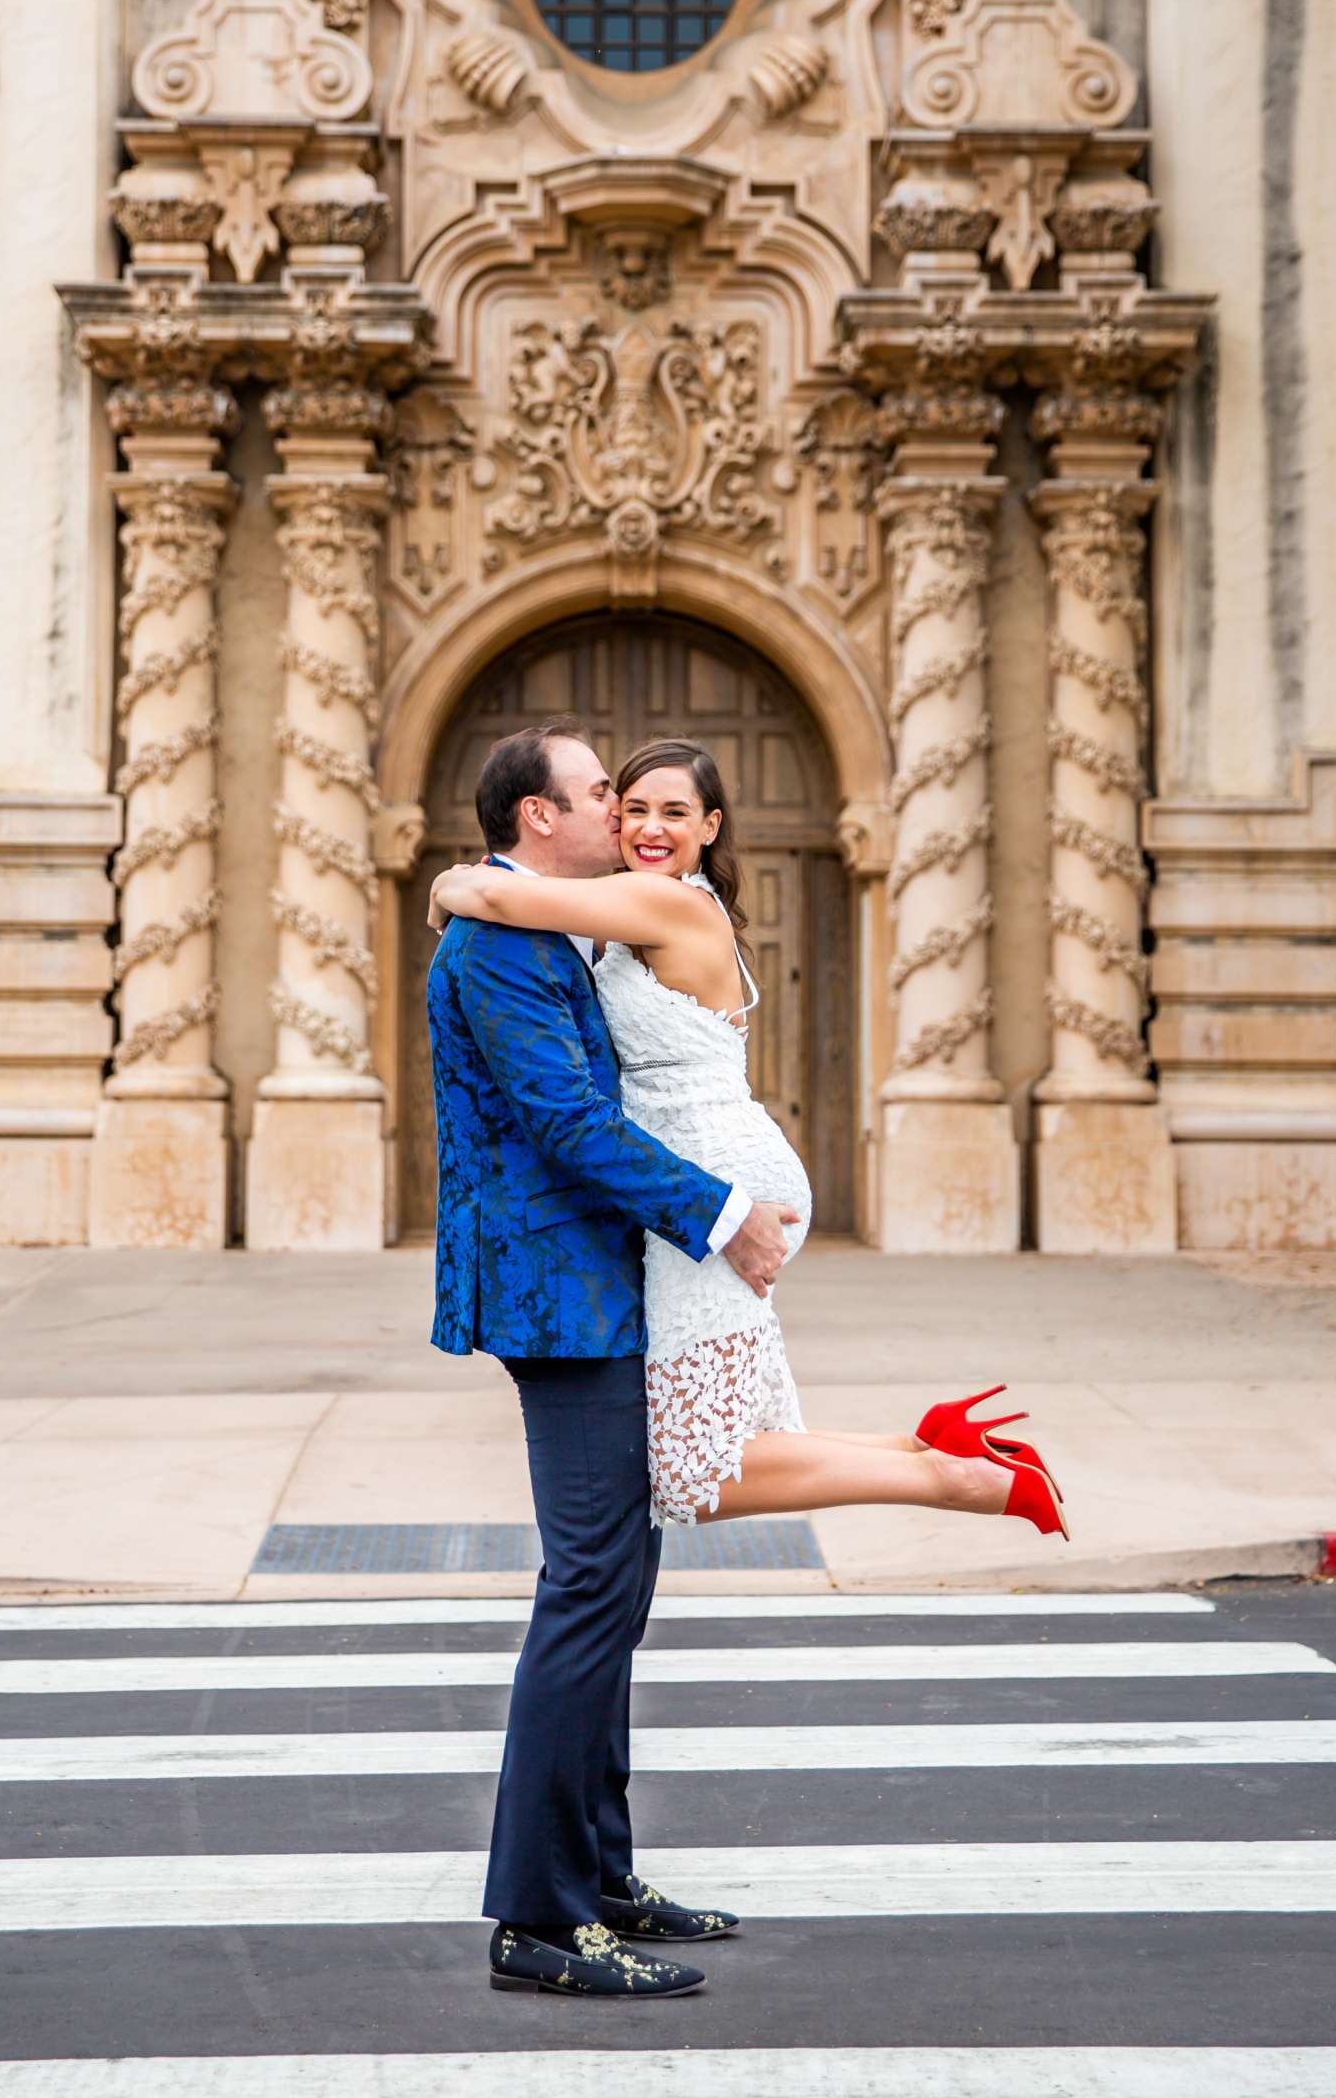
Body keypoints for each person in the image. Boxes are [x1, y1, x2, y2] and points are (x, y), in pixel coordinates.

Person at [430, 731, 1069, 1540]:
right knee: (718, 1441)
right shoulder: (627, 908)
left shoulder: (668, 903)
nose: (648, 827)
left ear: (710, 827)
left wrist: (450, 880)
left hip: (721, 1177)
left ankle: (953, 1481)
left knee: (696, 1472)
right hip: (702, 1170)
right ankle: (925, 1444)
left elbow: (496, 897)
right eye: (629, 808)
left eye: (675, 812)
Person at [425, 718, 798, 2000]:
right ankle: (539, 1916)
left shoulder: (538, 920)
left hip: (603, 1281)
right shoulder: (496, 945)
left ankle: (602, 1871)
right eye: (596, 791)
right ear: (540, 818)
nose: (616, 809)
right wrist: (716, 1211)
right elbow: (568, 1119)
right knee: (589, 1586)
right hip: (556, 1293)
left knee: (616, 1583)